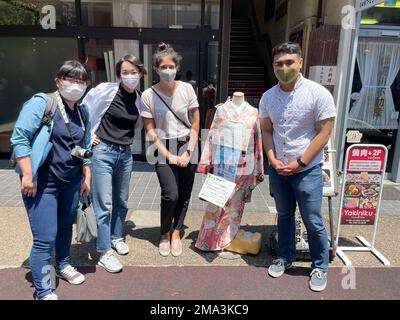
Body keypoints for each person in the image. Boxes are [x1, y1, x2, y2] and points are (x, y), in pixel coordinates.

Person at [11, 60, 92, 300]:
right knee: (45, 238)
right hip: (42, 183)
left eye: (81, 81)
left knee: (66, 227)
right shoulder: (42, 103)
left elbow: (84, 145)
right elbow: (20, 138)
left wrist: (86, 174)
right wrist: (27, 174)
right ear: (58, 81)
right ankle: (43, 290)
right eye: (71, 80)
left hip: (70, 181)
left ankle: (64, 264)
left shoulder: (82, 110)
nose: (76, 86)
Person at [259, 42, 336, 292]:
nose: (284, 68)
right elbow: (267, 130)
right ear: (273, 67)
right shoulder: (268, 97)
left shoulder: (318, 93)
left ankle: (320, 266)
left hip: (308, 170)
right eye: (279, 64)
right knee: (284, 216)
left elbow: (324, 133)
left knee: (313, 220)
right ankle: (285, 256)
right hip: (279, 170)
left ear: (300, 62)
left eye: (289, 62)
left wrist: (300, 162)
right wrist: (271, 159)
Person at [82, 55, 146, 273]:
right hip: (103, 152)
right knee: (104, 204)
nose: (129, 76)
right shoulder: (106, 90)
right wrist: (90, 136)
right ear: (119, 74)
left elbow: (136, 126)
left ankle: (117, 236)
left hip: (125, 153)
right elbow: (85, 110)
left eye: (133, 71)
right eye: (125, 72)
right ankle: (103, 251)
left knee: (122, 199)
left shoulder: (139, 98)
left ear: (141, 73)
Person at [141, 43, 200, 257]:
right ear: (156, 70)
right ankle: (164, 233)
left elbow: (195, 122)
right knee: (170, 194)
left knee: (185, 193)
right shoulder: (148, 95)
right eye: (163, 67)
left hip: (188, 143)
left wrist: (188, 151)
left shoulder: (187, 89)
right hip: (162, 146)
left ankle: (177, 231)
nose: (167, 70)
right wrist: (170, 155)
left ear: (177, 67)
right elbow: (150, 130)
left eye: (171, 66)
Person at [195, 92, 264, 253]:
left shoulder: (253, 112)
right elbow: (211, 136)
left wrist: (258, 168)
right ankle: (207, 240)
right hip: (222, 165)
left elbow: (257, 139)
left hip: (244, 167)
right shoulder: (221, 110)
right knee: (215, 203)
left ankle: (226, 239)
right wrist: (206, 162)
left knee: (235, 206)